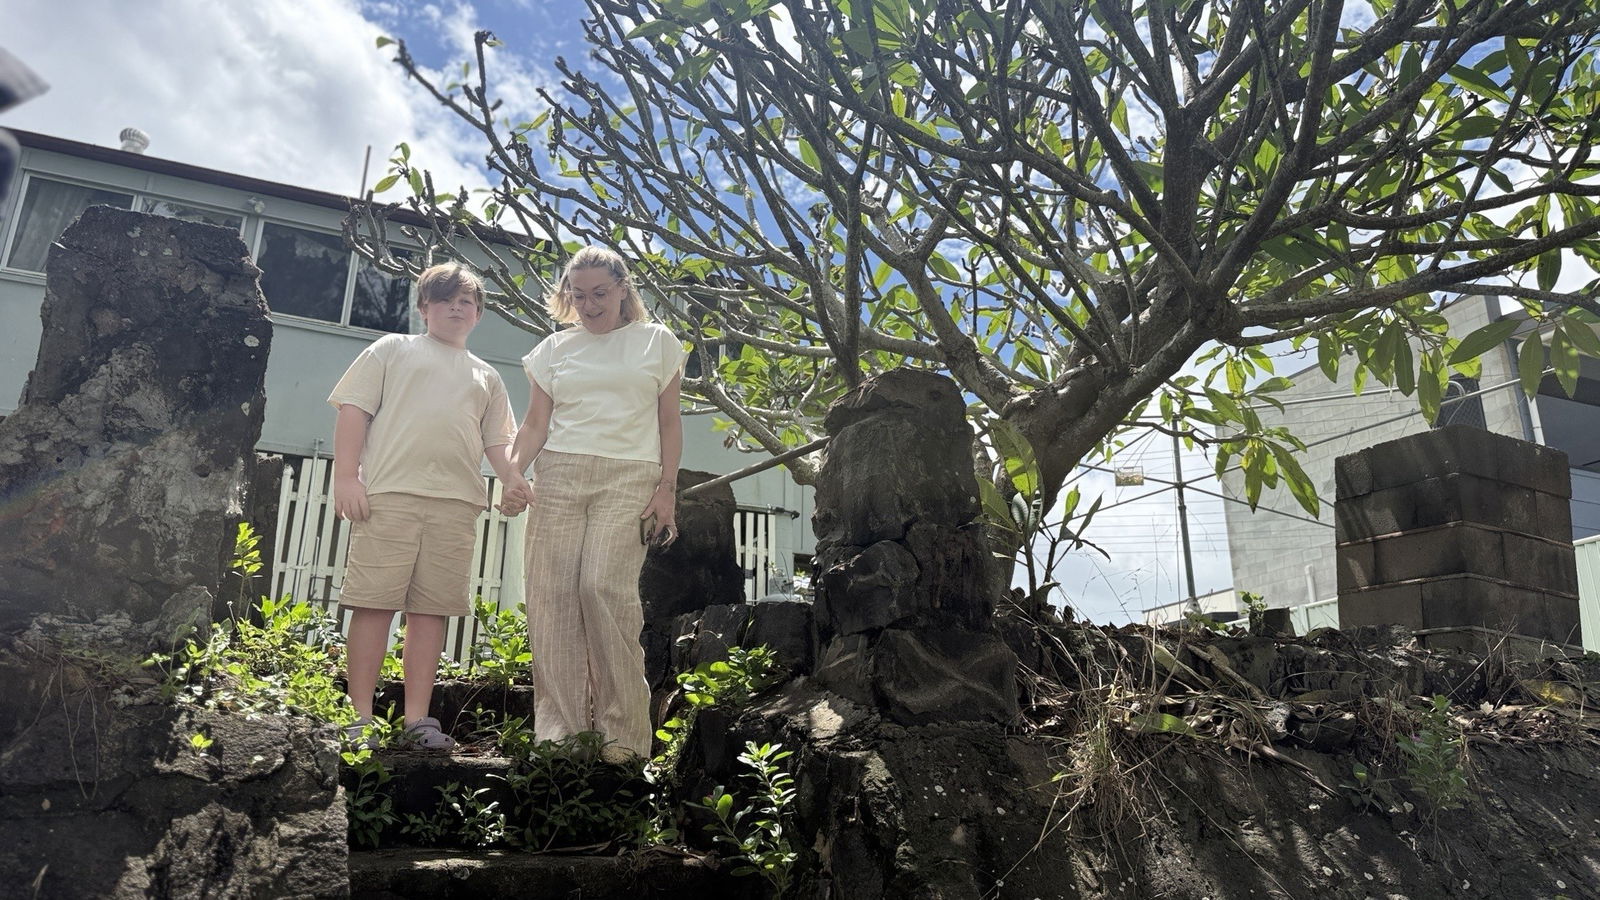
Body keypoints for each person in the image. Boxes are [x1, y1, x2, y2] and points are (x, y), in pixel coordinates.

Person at [328, 262, 526, 749]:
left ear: (478, 313)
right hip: (390, 496)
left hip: (457, 505)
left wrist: (514, 480)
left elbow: (498, 442)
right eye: (444, 299)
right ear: (424, 308)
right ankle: (359, 718)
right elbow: (355, 410)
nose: (456, 307)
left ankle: (417, 720)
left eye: (467, 301)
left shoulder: (487, 376)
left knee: (430, 612)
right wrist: (346, 476)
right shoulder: (392, 349)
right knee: (374, 605)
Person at [502, 245, 686, 763]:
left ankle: (624, 738)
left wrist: (666, 488)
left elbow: (669, 422)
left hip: (631, 475)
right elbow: (535, 425)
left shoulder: (657, 342)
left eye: (599, 293)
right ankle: (559, 736)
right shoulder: (553, 351)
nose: (588, 304)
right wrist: (514, 473)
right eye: (577, 295)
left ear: (624, 289)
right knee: (553, 597)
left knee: (602, 586)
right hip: (559, 473)